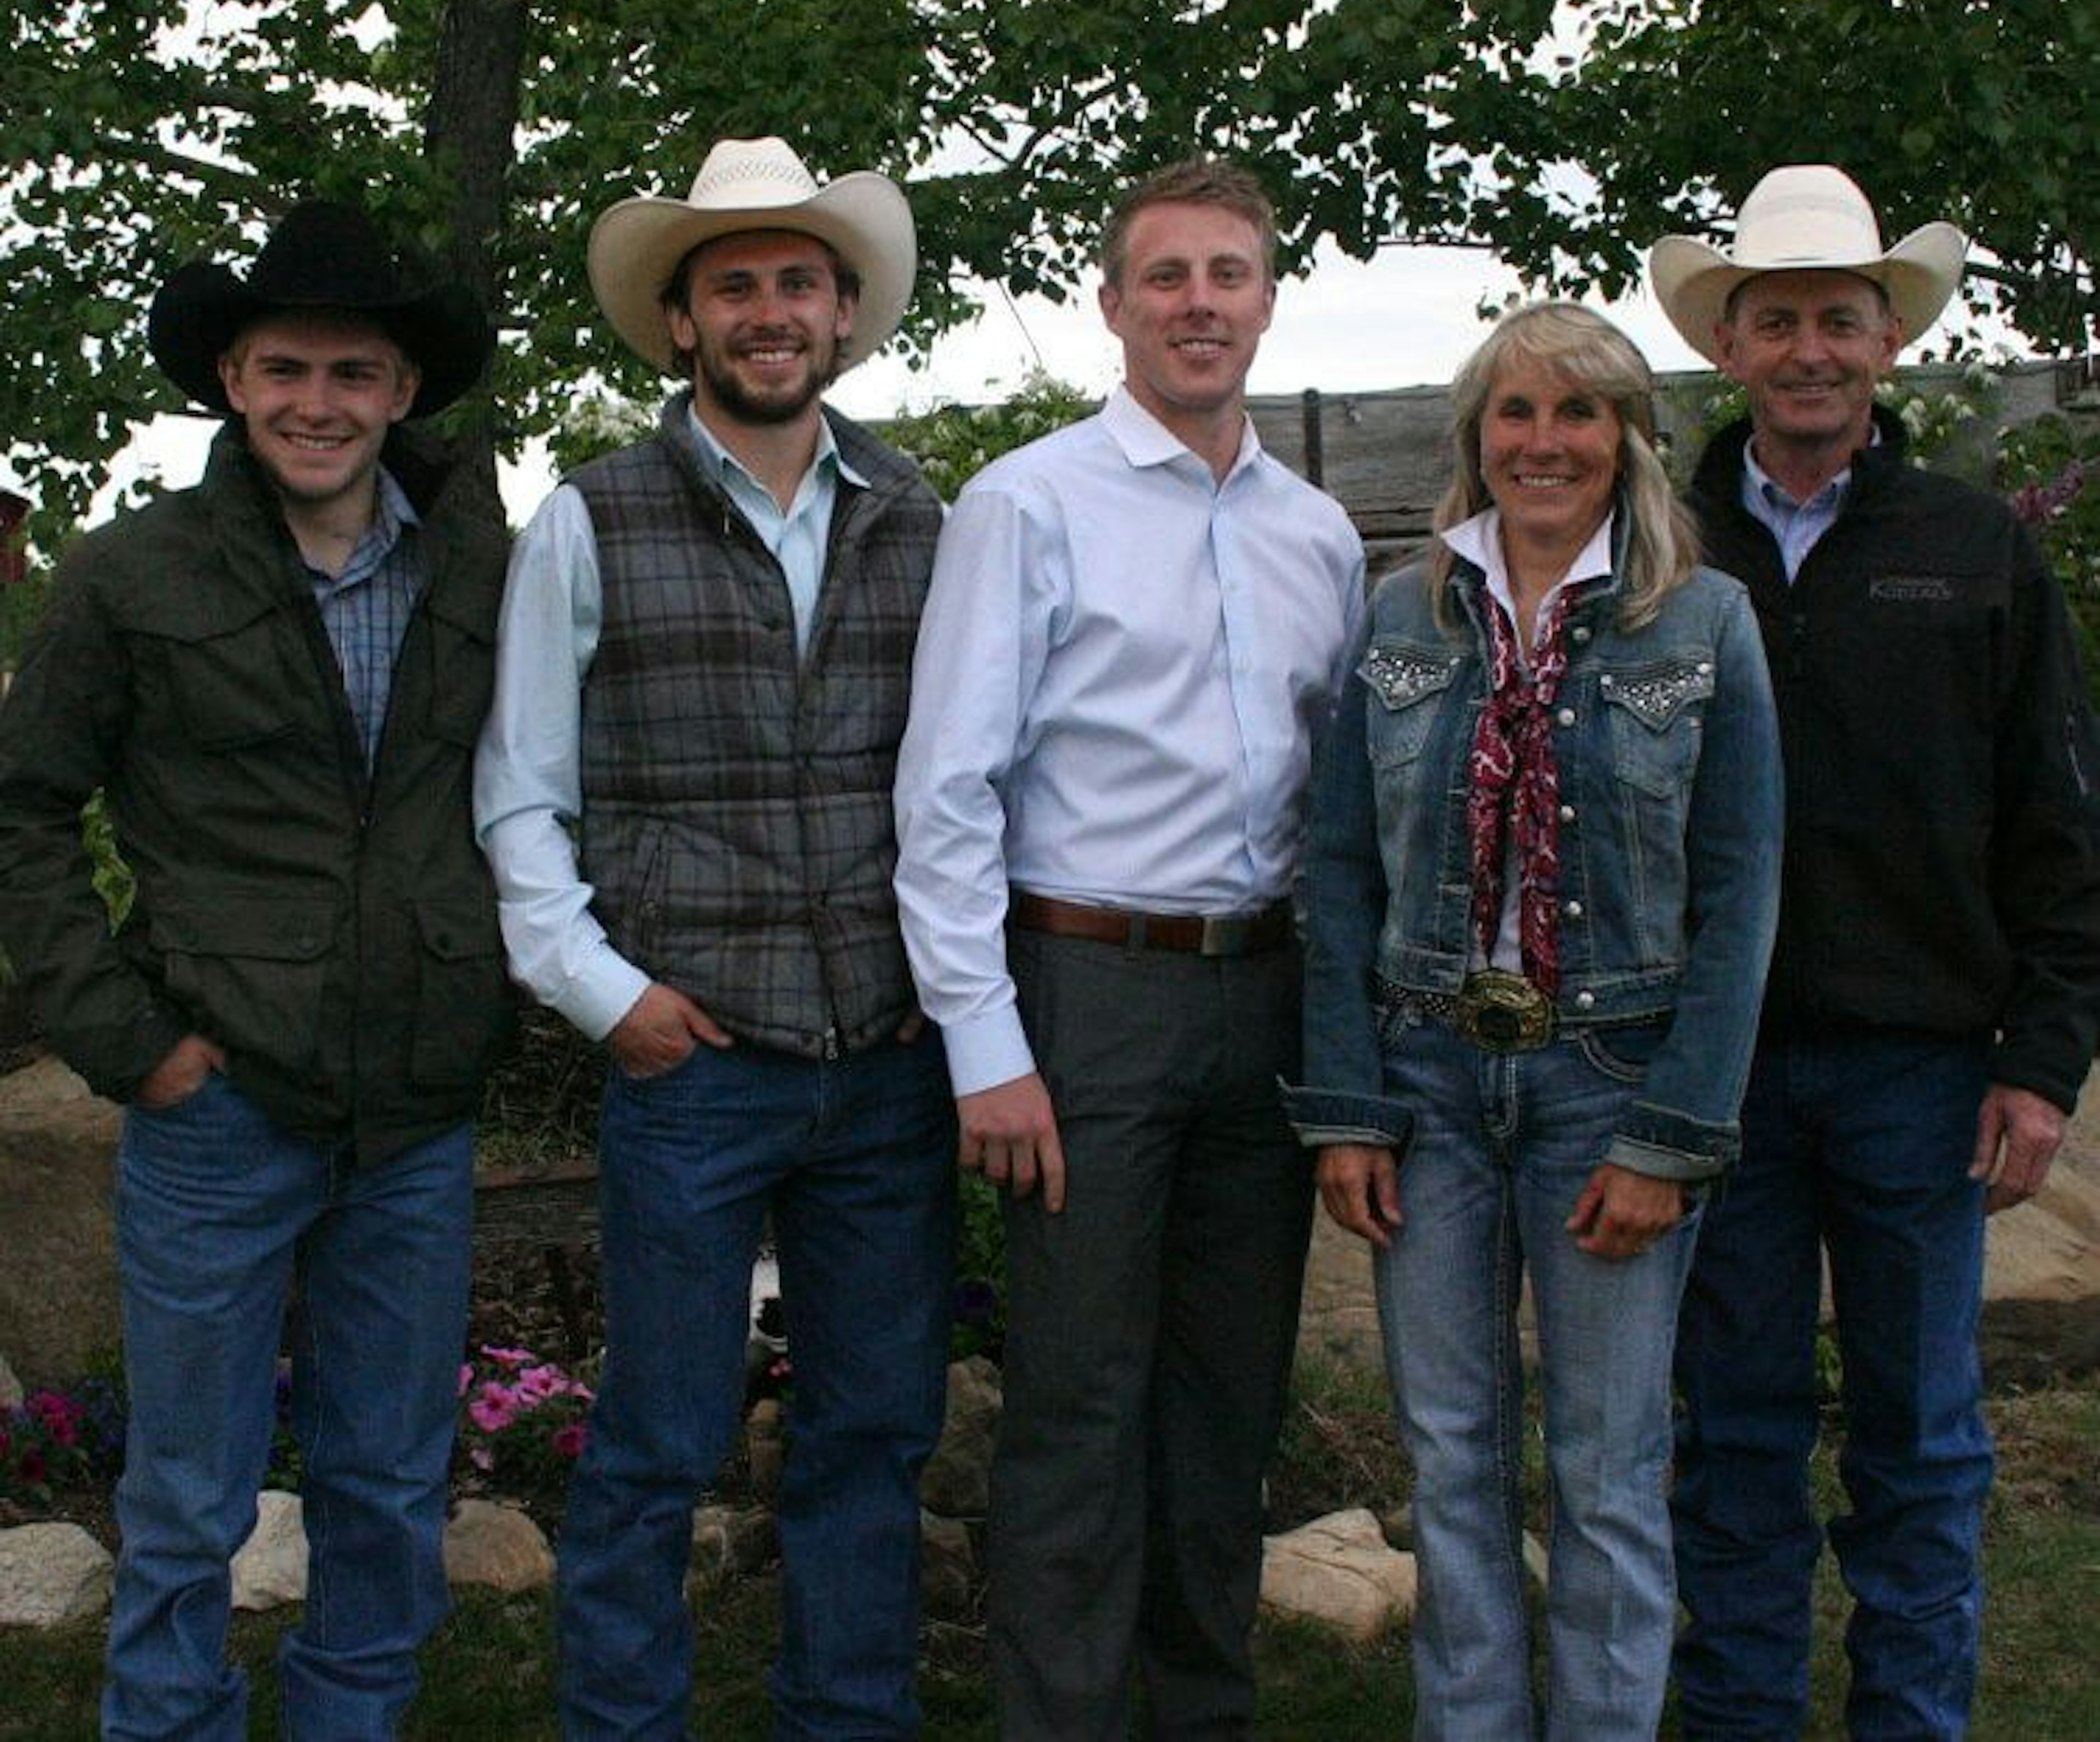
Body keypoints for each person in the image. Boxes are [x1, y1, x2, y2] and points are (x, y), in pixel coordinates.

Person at [0, 198, 511, 1739]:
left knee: (385, 1478)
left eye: (353, 374)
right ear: (232, 379)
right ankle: (170, 1723)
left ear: (403, 392)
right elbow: (21, 807)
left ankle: (352, 1719)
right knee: (188, 1491)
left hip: (416, 1110)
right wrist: (129, 1039)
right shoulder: (131, 574)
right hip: (217, 1102)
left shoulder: (485, 564)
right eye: (286, 369)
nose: (318, 403)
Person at [474, 135, 954, 1739]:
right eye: (733, 284)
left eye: (795, 281)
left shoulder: (921, 517)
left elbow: (966, 786)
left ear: (841, 311)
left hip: (888, 1072)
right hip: (697, 1068)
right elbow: (520, 802)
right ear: (680, 323)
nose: (768, 309)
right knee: (659, 1440)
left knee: (875, 1435)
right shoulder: (589, 521)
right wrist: (611, 1002)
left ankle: (849, 1715)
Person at [892, 158, 1364, 1740]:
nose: (1199, 305)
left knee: (1225, 1401)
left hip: (1269, 999)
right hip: (1086, 998)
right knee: (1082, 1406)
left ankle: (1198, 1712)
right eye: (1166, 277)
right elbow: (947, 792)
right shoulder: (1027, 503)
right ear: (1113, 305)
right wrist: (989, 1047)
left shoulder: (1319, 536)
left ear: (1269, 299)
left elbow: (1343, 805)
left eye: (1228, 274)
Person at [1289, 302, 1782, 1739]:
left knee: (1609, 1468)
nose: (1545, 442)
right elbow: (1337, 868)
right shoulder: (1402, 614)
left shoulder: (1702, 619)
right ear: (1477, 438)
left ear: (1627, 437)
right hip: (1430, 1076)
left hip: (1608, 1081)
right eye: (1516, 413)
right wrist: (1349, 1108)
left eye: (1578, 413)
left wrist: (1674, 1133)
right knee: (1449, 1461)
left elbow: (1742, 893)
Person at [1653, 165, 2100, 1739]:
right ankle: (1742, 1719)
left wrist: (2042, 1066)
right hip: (1715, 1077)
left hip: (1921, 1072)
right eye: (1776, 321)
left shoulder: (1973, 547)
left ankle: (1913, 1721)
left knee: (1921, 1436)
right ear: (1730, 346)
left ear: (1888, 343)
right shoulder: (1664, 544)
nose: (1810, 351)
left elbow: (2057, 823)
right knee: (1737, 1429)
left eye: (1839, 320)